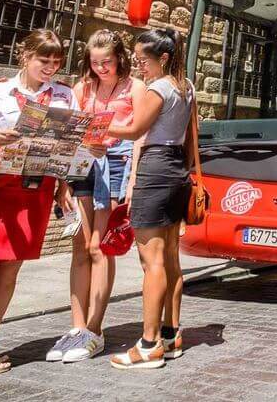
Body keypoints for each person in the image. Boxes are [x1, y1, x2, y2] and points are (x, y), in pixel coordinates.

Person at [0, 29, 76, 388]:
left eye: (56, 62)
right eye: (44, 60)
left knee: (8, 272)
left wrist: (64, 186)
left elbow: (66, 147)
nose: (50, 67)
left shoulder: (65, 96)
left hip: (32, 189)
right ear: (25, 56)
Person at [46, 30, 146, 363]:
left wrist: (132, 181)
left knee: (99, 246)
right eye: (95, 62)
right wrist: (62, 181)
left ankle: (95, 328)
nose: (101, 68)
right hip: (81, 163)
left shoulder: (134, 88)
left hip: (115, 164)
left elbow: (140, 136)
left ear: (120, 58)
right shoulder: (81, 88)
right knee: (79, 245)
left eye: (107, 62)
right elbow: (68, 134)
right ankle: (76, 327)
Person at [108, 28, 194, 369]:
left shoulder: (159, 88)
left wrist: (95, 125)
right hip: (176, 170)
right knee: (171, 256)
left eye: (143, 60)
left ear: (163, 58)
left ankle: (148, 343)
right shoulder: (186, 87)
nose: (139, 66)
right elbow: (189, 138)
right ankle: (171, 335)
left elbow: (133, 130)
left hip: (156, 167)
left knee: (151, 261)